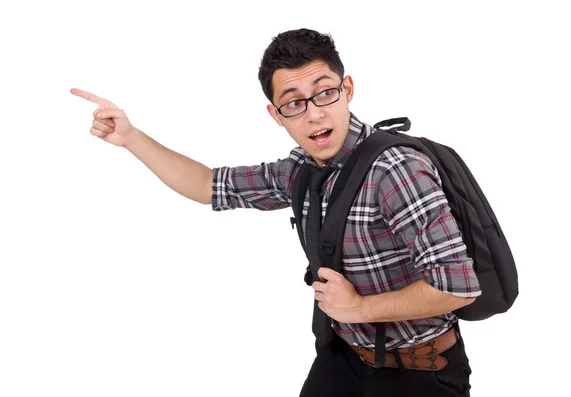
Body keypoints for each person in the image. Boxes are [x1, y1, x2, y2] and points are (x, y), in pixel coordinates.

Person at [71, 28, 482, 397]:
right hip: (347, 361)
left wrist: (360, 309)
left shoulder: (395, 171)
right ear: (275, 114)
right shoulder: (301, 171)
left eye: (325, 93)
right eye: (294, 103)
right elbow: (206, 184)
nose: (314, 112)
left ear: (348, 88)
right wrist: (130, 137)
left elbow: (457, 287)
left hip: (422, 371)